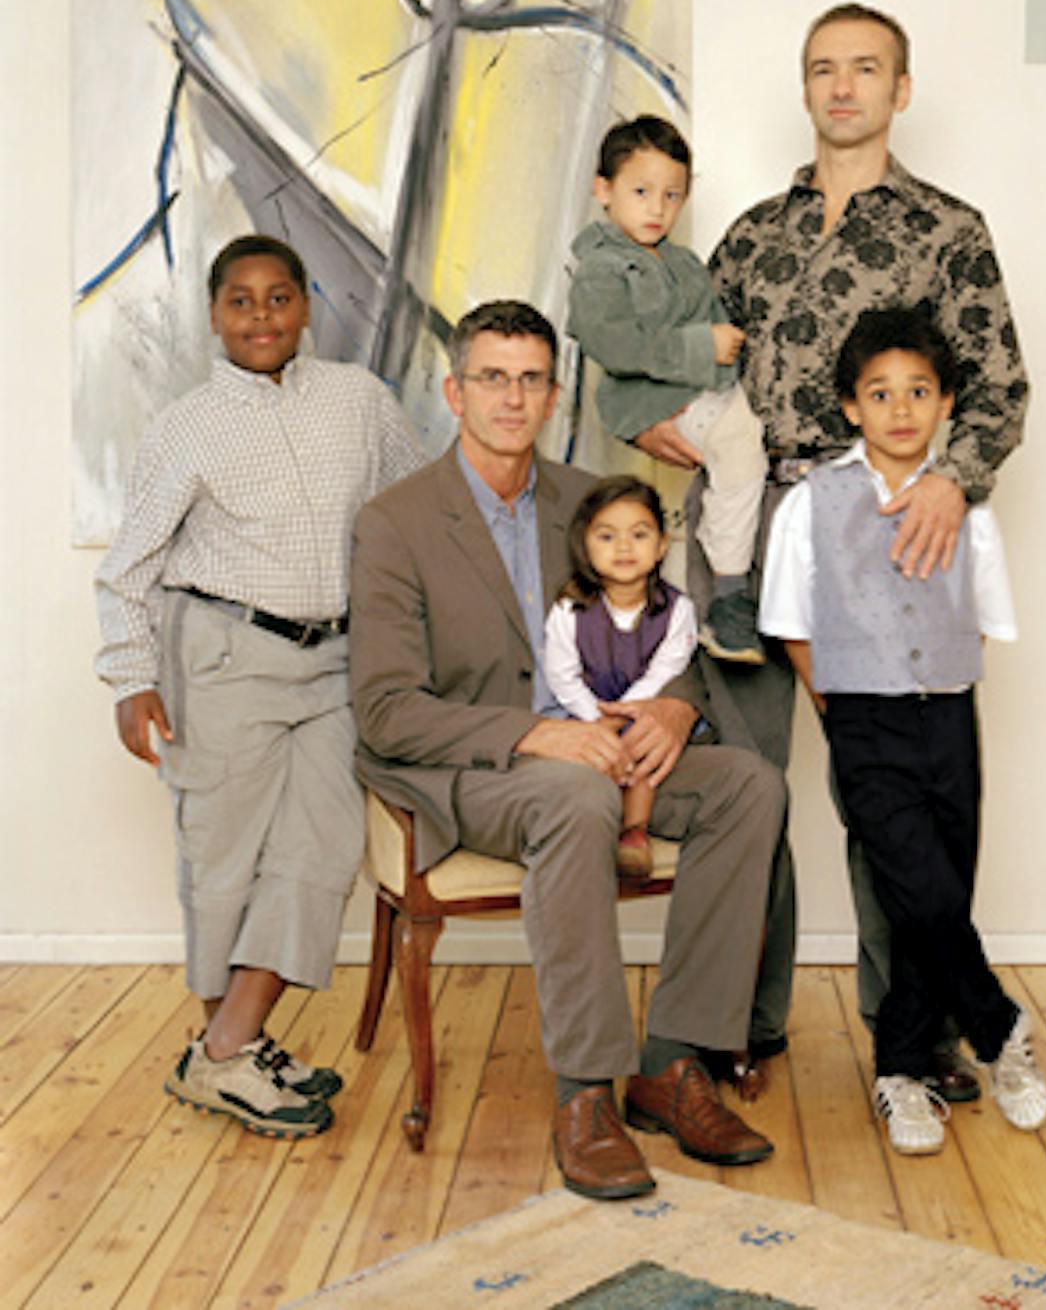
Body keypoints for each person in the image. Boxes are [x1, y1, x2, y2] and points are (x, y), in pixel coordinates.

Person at [635, 2, 1030, 1100]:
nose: (842, 86)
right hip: (742, 527)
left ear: (901, 90)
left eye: (865, 68)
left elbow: (998, 388)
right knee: (743, 787)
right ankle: (739, 1026)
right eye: (823, 68)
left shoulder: (949, 230)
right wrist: (648, 418)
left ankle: (918, 1038)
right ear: (804, 88)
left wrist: (951, 479)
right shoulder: (751, 233)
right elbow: (678, 360)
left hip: (879, 529)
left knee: (887, 795)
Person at [351, 300, 786, 1201]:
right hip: (476, 769)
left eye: (531, 380)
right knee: (575, 794)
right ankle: (586, 1092)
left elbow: (667, 631)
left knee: (749, 785)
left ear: (554, 396)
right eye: (492, 378)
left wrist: (673, 709)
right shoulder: (395, 522)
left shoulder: (591, 504)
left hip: (604, 744)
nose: (512, 398)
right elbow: (386, 711)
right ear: (455, 393)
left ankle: (672, 1063)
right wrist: (534, 733)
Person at [94, 233, 424, 1138]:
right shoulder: (187, 425)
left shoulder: (360, 401)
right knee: (224, 858)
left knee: (323, 847)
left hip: (337, 660)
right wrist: (130, 677)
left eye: (279, 298)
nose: (261, 317)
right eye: (240, 301)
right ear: (214, 316)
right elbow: (129, 566)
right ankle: (233, 1056)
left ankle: (224, 1049)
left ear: (306, 305)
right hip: (224, 657)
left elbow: (411, 511)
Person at [759, 308, 1046, 1154]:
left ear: (946, 402)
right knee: (917, 888)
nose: (900, 409)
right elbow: (791, 622)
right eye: (880, 393)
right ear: (851, 406)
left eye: (919, 392)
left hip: (949, 712)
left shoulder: (966, 506)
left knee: (937, 893)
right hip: (861, 718)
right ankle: (998, 1026)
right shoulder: (812, 503)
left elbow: (982, 614)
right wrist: (841, 711)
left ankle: (902, 1070)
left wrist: (936, 680)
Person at [568, 116, 767, 664]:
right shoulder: (600, 271)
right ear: (603, 189)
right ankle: (728, 593)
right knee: (739, 444)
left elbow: (717, 327)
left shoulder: (683, 263)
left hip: (704, 390)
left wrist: (725, 347)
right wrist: (704, 346)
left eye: (672, 195)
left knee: (742, 448)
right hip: (652, 404)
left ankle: (718, 593)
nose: (657, 208)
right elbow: (617, 346)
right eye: (641, 192)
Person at [545, 475, 699, 879]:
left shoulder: (677, 610)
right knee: (582, 759)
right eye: (607, 536)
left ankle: (634, 831)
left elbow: (666, 670)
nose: (624, 547)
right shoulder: (569, 608)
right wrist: (597, 720)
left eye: (639, 534)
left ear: (662, 544)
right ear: (585, 545)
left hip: (644, 714)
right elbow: (561, 675)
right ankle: (588, 832)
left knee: (644, 751)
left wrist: (625, 717)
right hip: (585, 714)